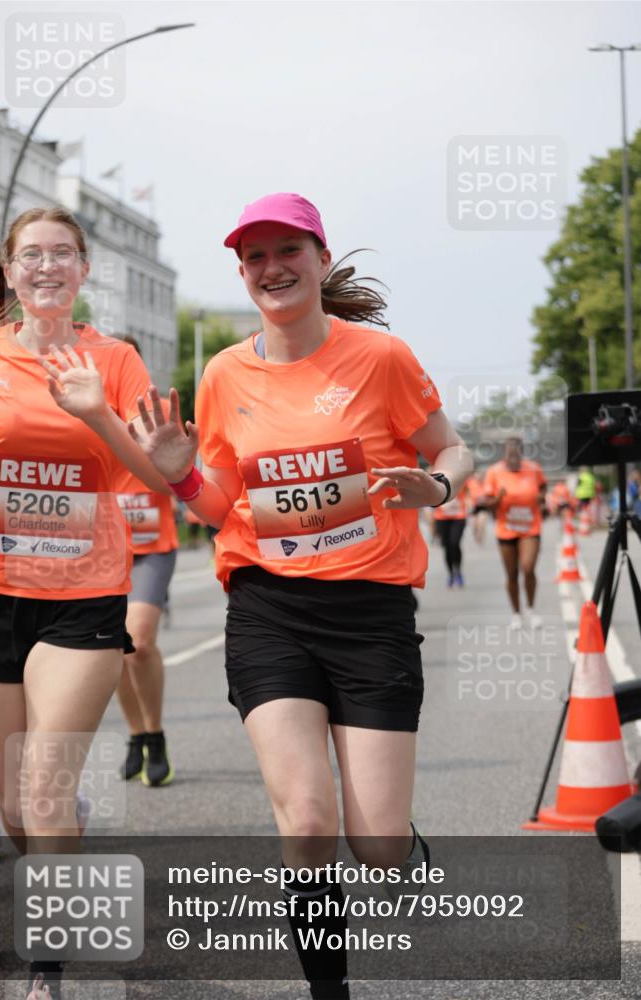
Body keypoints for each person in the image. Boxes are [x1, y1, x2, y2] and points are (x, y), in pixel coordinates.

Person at [126, 192, 473, 999]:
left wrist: (437, 485)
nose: (271, 268)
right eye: (254, 257)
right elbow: (219, 506)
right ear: (242, 273)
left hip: (371, 614)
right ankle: (330, 991)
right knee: (306, 822)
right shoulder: (222, 373)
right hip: (267, 608)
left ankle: (393, 842)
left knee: (376, 846)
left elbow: (447, 443)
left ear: (320, 258)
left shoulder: (380, 358)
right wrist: (178, 471)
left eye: (287, 251)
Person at [0, 209, 172, 997]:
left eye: (63, 253)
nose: (47, 266)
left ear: (86, 269)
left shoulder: (115, 360)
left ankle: (46, 973)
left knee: (43, 784)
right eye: (32, 255)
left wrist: (95, 411)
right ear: (12, 272)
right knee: (15, 799)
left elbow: (160, 482)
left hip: (83, 597)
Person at [114, 337, 178, 787]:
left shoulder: (157, 413)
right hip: (99, 547)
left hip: (153, 546)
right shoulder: (81, 411)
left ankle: (154, 734)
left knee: (138, 639)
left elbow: (180, 474)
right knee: (112, 649)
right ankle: (136, 734)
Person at [484, 438, 547, 630]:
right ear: (504, 454)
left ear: (521, 452)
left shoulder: (533, 469)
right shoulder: (494, 472)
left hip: (530, 527)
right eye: (508, 454)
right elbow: (487, 504)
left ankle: (531, 609)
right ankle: (516, 614)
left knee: (528, 568)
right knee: (511, 574)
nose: (512, 458)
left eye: (515, 453)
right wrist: (499, 498)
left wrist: (541, 497)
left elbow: (543, 487)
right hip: (506, 529)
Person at [432, 482, 468, 586]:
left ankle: (458, 570)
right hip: (442, 517)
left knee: (455, 543)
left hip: (458, 516)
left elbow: (468, 490)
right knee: (447, 547)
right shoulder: (436, 476)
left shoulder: (460, 475)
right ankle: (451, 574)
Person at [466, 470, 489, 545]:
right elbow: (466, 493)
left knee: (481, 522)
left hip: (483, 507)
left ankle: (480, 536)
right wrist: (468, 503)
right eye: (478, 475)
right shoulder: (470, 482)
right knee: (474, 525)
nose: (480, 477)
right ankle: (476, 534)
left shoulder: (487, 484)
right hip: (473, 507)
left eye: (482, 475)